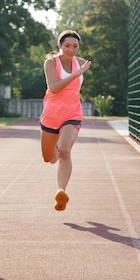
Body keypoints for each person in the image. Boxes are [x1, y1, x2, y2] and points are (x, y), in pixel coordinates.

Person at [40, 30, 91, 211]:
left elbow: (87, 63)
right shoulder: (50, 63)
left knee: (64, 151)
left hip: (72, 114)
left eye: (75, 46)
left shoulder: (81, 63)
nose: (71, 50)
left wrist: (80, 68)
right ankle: (53, 151)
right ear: (59, 46)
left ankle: (61, 191)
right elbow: (53, 88)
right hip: (52, 115)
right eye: (67, 46)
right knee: (48, 158)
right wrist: (77, 74)